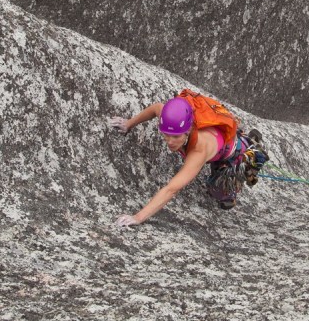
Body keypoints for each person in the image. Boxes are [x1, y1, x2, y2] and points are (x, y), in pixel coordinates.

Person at [108, 89, 256, 228]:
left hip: (232, 154)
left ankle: (249, 142)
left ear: (189, 129)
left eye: (176, 136)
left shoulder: (200, 149)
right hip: (216, 143)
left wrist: (137, 217)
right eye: (166, 134)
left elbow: (171, 189)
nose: (170, 141)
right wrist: (128, 124)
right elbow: (156, 108)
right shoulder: (170, 119)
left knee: (221, 196)